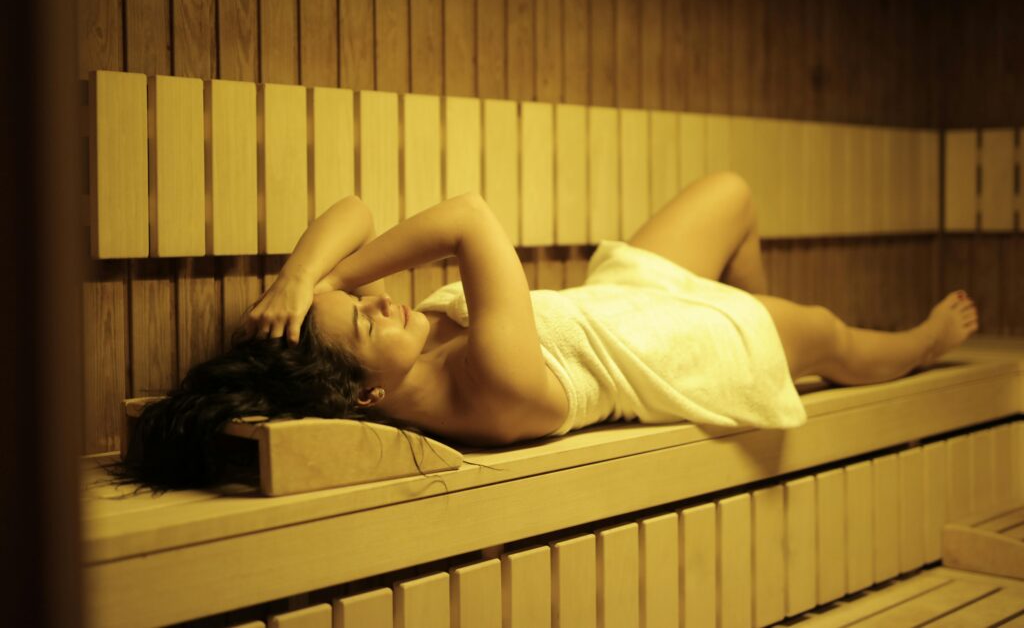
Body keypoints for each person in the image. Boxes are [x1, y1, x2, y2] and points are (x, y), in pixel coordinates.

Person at [116, 172, 978, 490]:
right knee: (831, 334)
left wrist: (304, 282)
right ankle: (905, 343)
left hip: (614, 303)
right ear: (363, 395)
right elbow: (467, 215)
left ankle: (767, 316)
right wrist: (324, 286)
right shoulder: (487, 389)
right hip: (673, 347)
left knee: (736, 193)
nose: (383, 301)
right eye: (364, 320)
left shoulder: (397, 362)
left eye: (366, 296)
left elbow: (356, 210)